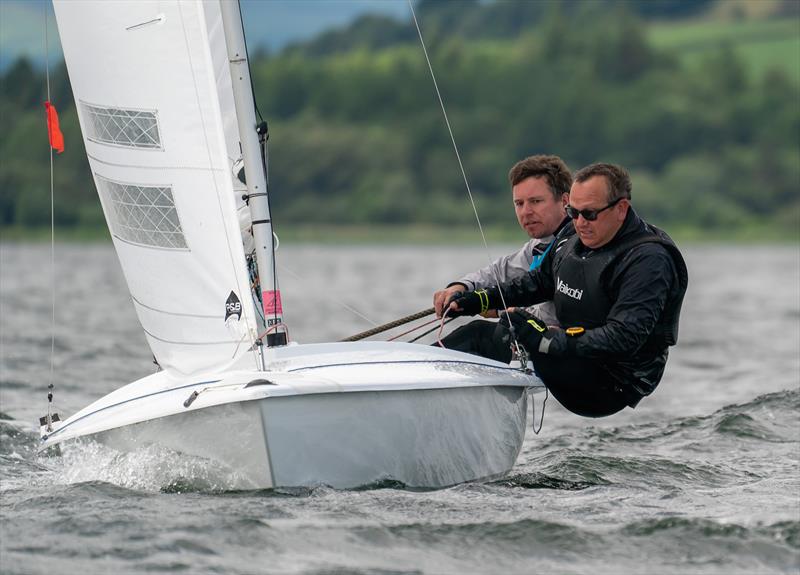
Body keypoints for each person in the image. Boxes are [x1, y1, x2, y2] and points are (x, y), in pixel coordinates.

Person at [446, 163, 688, 418]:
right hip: (569, 354)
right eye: (573, 212)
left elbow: (624, 337)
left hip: (611, 384)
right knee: (477, 334)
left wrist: (548, 340)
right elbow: (537, 283)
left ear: (621, 209)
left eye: (589, 214)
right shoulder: (572, 235)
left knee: (517, 326)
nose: (580, 223)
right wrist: (478, 300)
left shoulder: (649, 261)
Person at [433, 155, 572, 358]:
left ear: (565, 200)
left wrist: (495, 309)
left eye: (535, 201)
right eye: (519, 203)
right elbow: (499, 272)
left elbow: (553, 317)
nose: (526, 212)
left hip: (566, 349)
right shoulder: (540, 244)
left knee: (478, 334)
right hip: (544, 342)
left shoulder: (574, 243)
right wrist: (462, 287)